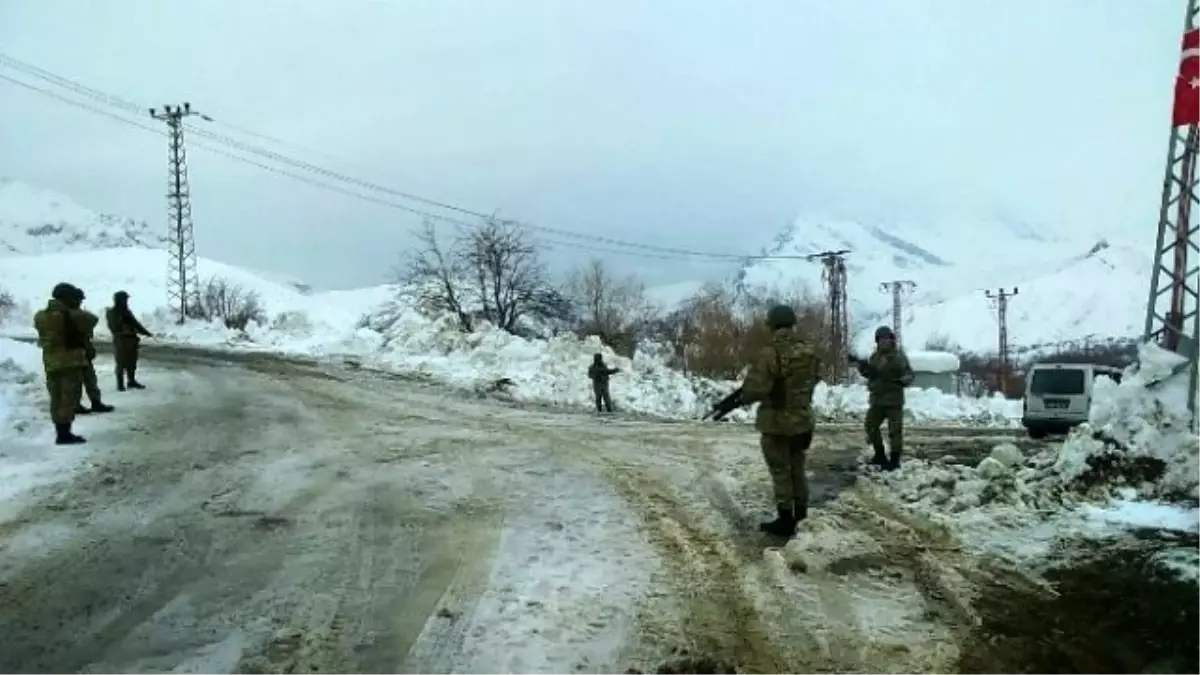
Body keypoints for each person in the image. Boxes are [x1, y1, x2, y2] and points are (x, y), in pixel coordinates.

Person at [740, 304, 823, 537]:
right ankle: (801, 515)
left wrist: (745, 396)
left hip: (777, 422)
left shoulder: (770, 353)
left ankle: (785, 520)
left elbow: (756, 388)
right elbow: (815, 378)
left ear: (772, 326)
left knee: (780, 471)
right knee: (797, 467)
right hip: (803, 420)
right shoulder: (809, 350)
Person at [32, 283, 90, 444]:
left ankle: (60, 431)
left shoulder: (40, 315)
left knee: (56, 397)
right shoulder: (73, 315)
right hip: (69, 362)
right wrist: (75, 308)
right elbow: (91, 321)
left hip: (51, 362)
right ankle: (65, 434)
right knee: (68, 398)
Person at [856, 325, 914, 471]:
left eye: (886, 339)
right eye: (881, 339)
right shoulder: (875, 357)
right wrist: (863, 369)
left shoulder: (898, 357)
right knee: (870, 426)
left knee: (895, 431)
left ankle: (894, 460)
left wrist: (902, 381)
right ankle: (879, 454)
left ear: (891, 340)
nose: (884, 342)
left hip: (893, 400)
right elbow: (871, 374)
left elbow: (909, 374)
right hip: (877, 399)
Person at [62, 286, 114, 415]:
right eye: (78, 300)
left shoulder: (74, 313)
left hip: (82, 350)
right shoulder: (65, 314)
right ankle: (76, 404)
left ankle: (94, 402)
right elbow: (92, 319)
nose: (80, 302)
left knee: (90, 378)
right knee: (76, 380)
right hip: (72, 352)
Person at [105, 290, 153, 391]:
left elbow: (135, 324)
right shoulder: (113, 313)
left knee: (132, 362)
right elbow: (114, 327)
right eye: (124, 299)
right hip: (121, 340)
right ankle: (120, 384)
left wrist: (145, 332)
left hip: (131, 340)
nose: (126, 301)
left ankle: (131, 381)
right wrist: (123, 321)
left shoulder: (126, 312)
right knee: (121, 362)